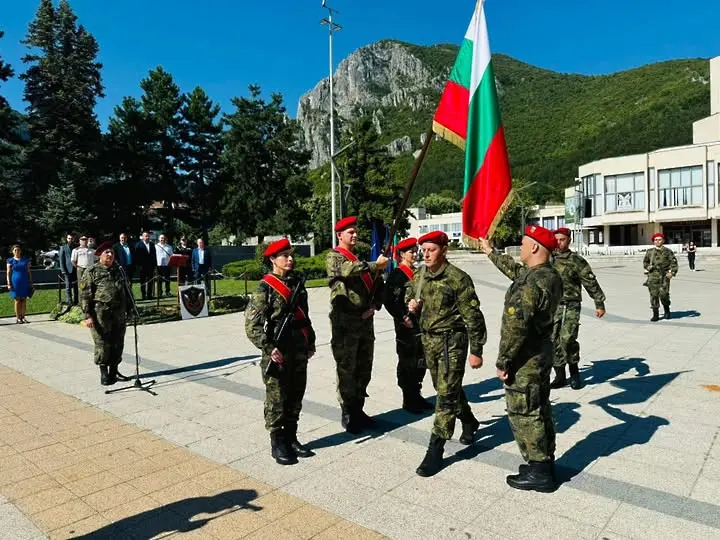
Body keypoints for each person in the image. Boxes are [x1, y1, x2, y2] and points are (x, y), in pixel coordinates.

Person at [479, 226, 563, 492]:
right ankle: (545, 463)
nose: (521, 247)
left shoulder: (532, 282)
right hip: (541, 354)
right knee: (540, 407)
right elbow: (516, 272)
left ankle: (539, 471)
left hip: (525, 358)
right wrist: (491, 252)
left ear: (535, 247)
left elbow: (516, 327)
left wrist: (504, 361)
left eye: (524, 243)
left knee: (525, 412)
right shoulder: (548, 276)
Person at [406, 231, 486, 477]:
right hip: (429, 341)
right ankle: (470, 420)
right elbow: (411, 295)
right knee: (445, 388)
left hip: (452, 342)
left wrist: (477, 351)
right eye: (423, 250)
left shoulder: (458, 279)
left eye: (431, 249)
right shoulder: (420, 275)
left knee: (446, 395)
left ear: (444, 250)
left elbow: (474, 317)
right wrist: (410, 306)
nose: (426, 254)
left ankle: (435, 450)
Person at [245, 239, 316, 465]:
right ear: (272, 260)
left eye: (290, 254)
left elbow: (304, 316)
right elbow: (252, 325)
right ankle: (277, 443)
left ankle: (292, 437)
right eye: (284, 255)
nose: (290, 259)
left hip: (299, 348)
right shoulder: (264, 289)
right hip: (278, 349)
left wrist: (310, 341)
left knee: (296, 394)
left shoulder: (297, 284)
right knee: (277, 398)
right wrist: (268, 347)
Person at [326, 216, 388, 434]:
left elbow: (378, 285)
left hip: (365, 322)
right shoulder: (334, 257)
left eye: (355, 231)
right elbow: (347, 270)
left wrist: (376, 305)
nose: (354, 235)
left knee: (364, 368)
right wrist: (374, 265)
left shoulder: (360, 261)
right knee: (347, 369)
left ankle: (359, 409)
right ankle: (348, 412)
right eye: (349, 232)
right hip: (345, 324)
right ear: (339, 235)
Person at [548, 227, 606, 390]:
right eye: (557, 240)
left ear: (569, 241)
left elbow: (590, 281)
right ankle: (560, 376)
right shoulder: (548, 258)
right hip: (553, 306)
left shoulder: (576, 260)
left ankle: (574, 373)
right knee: (552, 340)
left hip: (571, 305)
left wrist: (599, 303)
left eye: (562, 240)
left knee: (567, 339)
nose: (559, 243)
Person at [383, 237, 432, 413]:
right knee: (407, 362)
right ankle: (408, 398)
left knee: (420, 361)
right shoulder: (397, 275)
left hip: (420, 324)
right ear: (402, 255)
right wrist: (402, 316)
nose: (415, 254)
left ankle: (416, 394)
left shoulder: (417, 273)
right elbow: (389, 300)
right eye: (411, 252)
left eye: (415, 251)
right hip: (406, 326)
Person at [80, 242, 132, 386]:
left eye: (112, 253)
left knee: (118, 342)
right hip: (100, 313)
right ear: (100, 255)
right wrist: (88, 316)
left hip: (119, 313)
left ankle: (114, 372)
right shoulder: (92, 271)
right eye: (107, 253)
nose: (110, 255)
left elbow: (127, 291)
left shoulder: (119, 270)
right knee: (102, 343)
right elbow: (84, 295)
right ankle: (104, 374)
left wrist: (131, 309)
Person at [643, 233, 678, 321]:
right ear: (653, 241)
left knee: (664, 294)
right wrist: (648, 267)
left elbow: (674, 262)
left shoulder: (668, 251)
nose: (657, 241)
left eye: (659, 239)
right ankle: (655, 314)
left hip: (664, 276)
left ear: (663, 240)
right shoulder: (650, 252)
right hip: (653, 276)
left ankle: (667, 310)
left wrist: (672, 273)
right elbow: (645, 262)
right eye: (656, 240)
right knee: (654, 295)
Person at [6, 245, 33, 324]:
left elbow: (29, 272)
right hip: (15, 282)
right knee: (17, 300)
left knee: (24, 299)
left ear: (20, 251)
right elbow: (8, 273)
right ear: (13, 251)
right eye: (15, 250)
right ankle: (18, 318)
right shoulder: (10, 260)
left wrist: (30, 282)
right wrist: (8, 283)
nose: (17, 252)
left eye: (18, 250)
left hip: (24, 281)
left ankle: (23, 317)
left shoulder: (25, 260)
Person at [134, 231, 157, 300]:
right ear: (142, 237)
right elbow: (136, 256)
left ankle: (149, 295)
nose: (147, 237)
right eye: (145, 236)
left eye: (148, 236)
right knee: (143, 281)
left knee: (150, 281)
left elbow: (154, 256)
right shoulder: (138, 244)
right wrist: (138, 265)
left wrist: (155, 265)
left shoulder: (152, 244)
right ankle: (143, 295)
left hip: (151, 266)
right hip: (142, 266)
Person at [59, 234, 78, 305]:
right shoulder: (63, 248)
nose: (70, 240)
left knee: (76, 287)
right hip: (67, 270)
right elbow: (61, 260)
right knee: (68, 287)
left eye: (71, 238)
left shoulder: (76, 247)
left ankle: (76, 301)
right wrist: (63, 270)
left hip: (76, 269)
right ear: (67, 239)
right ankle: (69, 302)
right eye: (69, 238)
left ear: (73, 239)